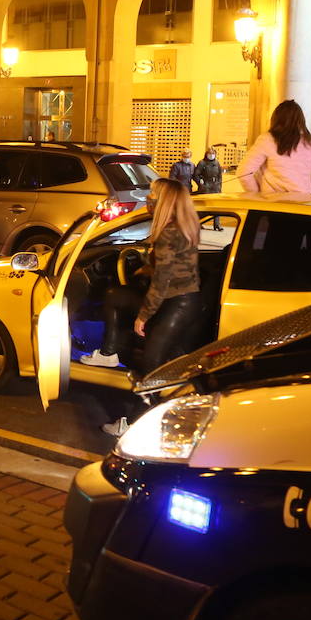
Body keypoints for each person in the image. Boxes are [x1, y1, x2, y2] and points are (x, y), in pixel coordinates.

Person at [85, 179, 203, 435]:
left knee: (151, 367)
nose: (148, 198)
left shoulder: (168, 233)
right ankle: (109, 353)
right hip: (185, 301)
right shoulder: (185, 226)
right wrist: (148, 267)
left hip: (176, 304)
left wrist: (143, 316)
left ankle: (134, 425)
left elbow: (162, 283)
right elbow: (171, 268)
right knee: (117, 296)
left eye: (153, 195)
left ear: (165, 202)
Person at [237, 100, 311, 194]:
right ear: (301, 120)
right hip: (301, 205)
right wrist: (307, 189)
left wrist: (256, 193)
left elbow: (243, 172)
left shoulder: (267, 140)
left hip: (272, 203)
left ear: (275, 119)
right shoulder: (309, 142)